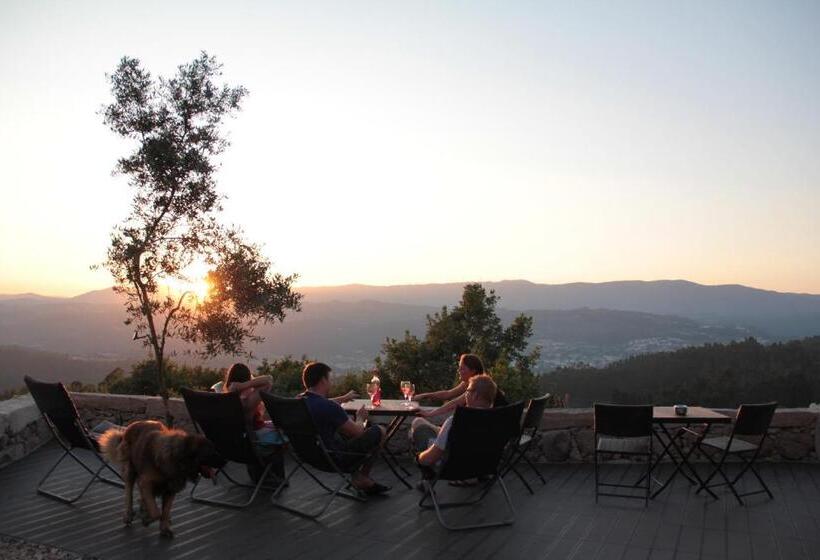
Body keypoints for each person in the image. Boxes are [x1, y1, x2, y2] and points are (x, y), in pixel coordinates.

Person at [299, 362, 390, 495]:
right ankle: (362, 477)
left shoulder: (298, 401)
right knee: (380, 430)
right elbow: (358, 432)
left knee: (342, 431)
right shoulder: (329, 407)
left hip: (308, 455)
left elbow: (320, 403)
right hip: (335, 458)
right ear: (323, 380)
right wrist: (360, 418)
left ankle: (358, 477)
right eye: (329, 379)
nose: (330, 382)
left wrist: (343, 398)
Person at [413, 374, 498, 468]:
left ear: (475, 395)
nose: (465, 394)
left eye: (467, 391)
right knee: (419, 422)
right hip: (482, 467)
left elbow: (430, 458)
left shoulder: (456, 421)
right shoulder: (496, 421)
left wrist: (418, 458)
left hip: (450, 466)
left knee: (418, 427)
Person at [414, 353, 508, 419]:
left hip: (494, 424)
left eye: (462, 368)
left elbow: (455, 403)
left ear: (473, 371)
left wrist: (430, 414)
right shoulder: (470, 381)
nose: (459, 371)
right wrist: (424, 395)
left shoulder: (478, 386)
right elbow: (448, 394)